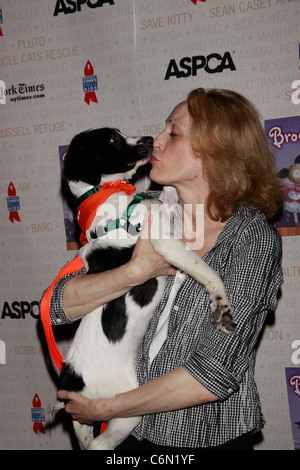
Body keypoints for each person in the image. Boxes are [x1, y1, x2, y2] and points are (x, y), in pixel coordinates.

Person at [43, 88, 284, 450]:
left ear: (216, 151)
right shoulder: (138, 208)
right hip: (130, 435)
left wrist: (104, 409)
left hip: (202, 438)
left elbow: (212, 374)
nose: (156, 141)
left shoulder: (251, 240)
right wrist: (134, 271)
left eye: (173, 133)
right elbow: (56, 305)